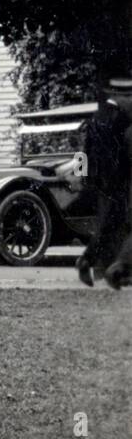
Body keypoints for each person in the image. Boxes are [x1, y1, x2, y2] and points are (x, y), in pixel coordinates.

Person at [76, 74, 132, 287]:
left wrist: (85, 178)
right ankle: (113, 268)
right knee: (117, 223)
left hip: (99, 182)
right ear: (121, 95)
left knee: (107, 224)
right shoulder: (122, 118)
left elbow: (84, 151)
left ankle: (91, 262)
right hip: (117, 181)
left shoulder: (95, 118)